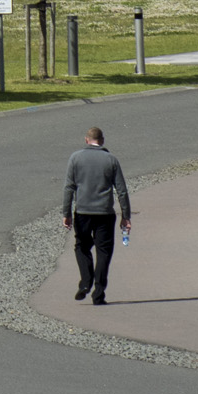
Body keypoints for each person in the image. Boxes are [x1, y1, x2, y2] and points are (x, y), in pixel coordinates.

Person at [63, 125, 132, 304]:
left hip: (83, 211)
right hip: (104, 212)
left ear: (86, 140)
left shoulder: (75, 158)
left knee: (82, 246)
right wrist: (126, 215)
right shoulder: (111, 160)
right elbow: (122, 191)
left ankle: (85, 281)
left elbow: (69, 187)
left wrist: (66, 212)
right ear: (102, 141)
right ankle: (98, 293)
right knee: (104, 251)